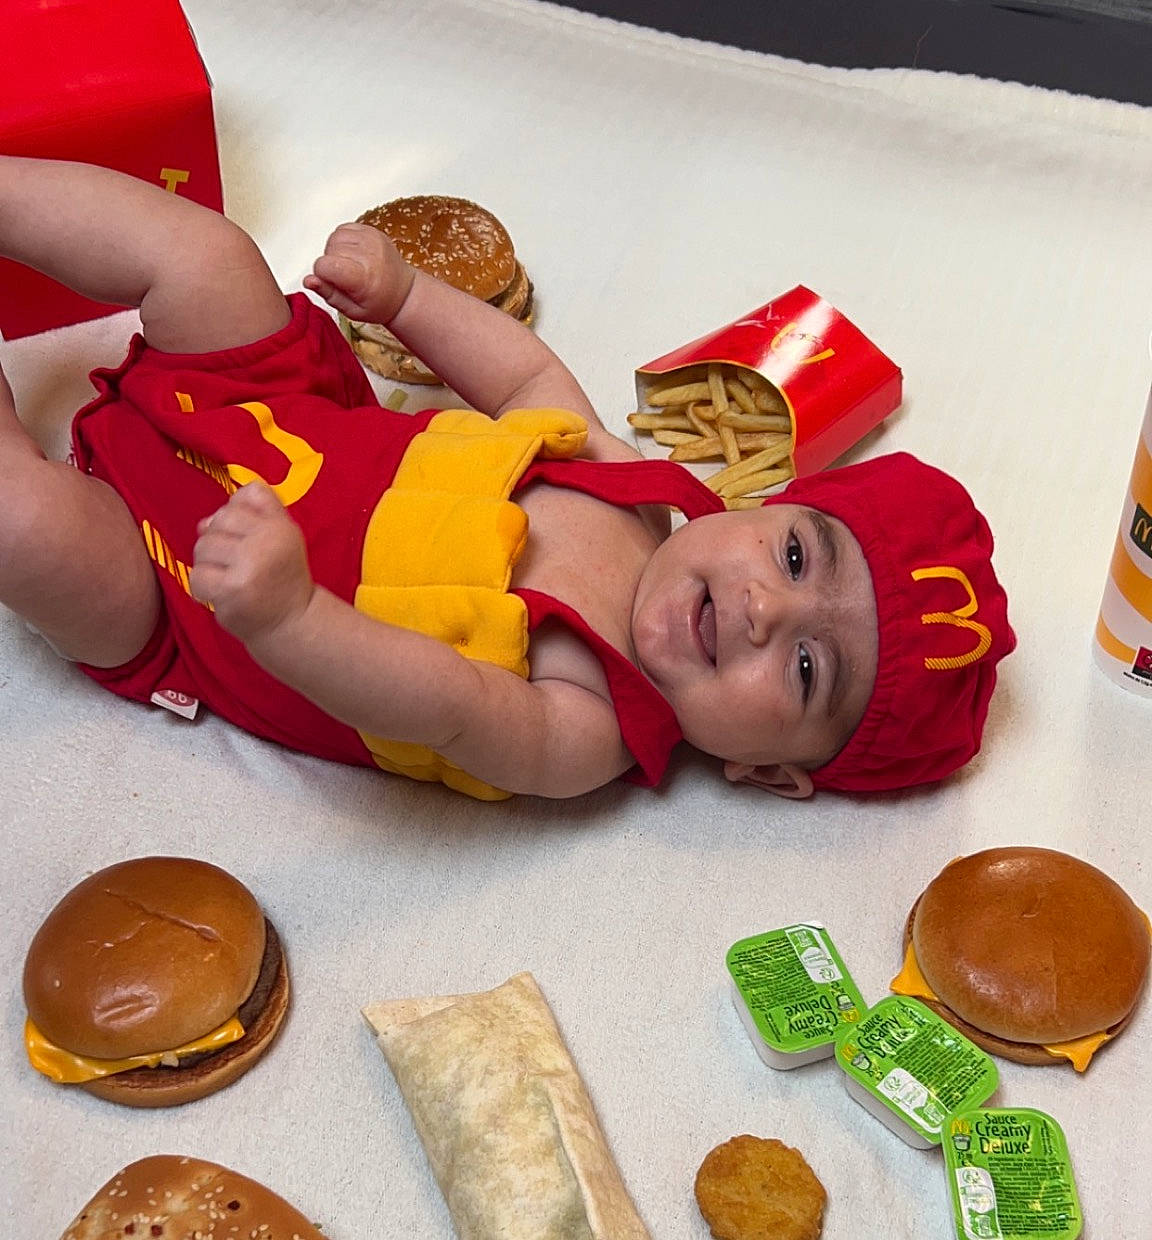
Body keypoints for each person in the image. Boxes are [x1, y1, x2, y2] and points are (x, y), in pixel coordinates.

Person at [0, 158, 1014, 801]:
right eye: (795, 554)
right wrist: (404, 295)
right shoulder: (646, 492)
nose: (760, 607)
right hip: (282, 416)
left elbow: (438, 702)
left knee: (33, 529)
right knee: (208, 253)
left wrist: (287, 612)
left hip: (193, 598)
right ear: (768, 504)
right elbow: (528, 376)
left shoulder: (588, 730)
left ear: (765, 770)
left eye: (804, 670)